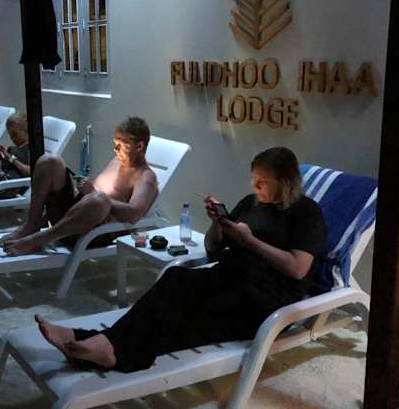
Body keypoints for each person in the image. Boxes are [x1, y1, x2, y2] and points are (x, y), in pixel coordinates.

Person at [35, 147, 328, 373]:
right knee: (176, 280)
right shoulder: (251, 204)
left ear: (286, 183)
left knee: (184, 317)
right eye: (254, 180)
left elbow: (298, 268)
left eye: (263, 182)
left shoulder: (306, 213)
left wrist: (249, 241)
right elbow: (213, 250)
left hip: (265, 299)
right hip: (228, 277)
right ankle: (94, 342)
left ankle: (102, 348)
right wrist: (218, 224)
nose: (255, 187)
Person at [0, 116, 158, 256]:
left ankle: (37, 240)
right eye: (115, 144)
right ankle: (31, 225)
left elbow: (134, 214)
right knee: (50, 161)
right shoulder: (117, 161)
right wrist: (81, 189)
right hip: (73, 219)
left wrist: (94, 194)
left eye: (121, 145)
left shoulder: (146, 178)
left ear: (139, 147)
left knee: (99, 199)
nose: (115, 149)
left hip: (95, 232)